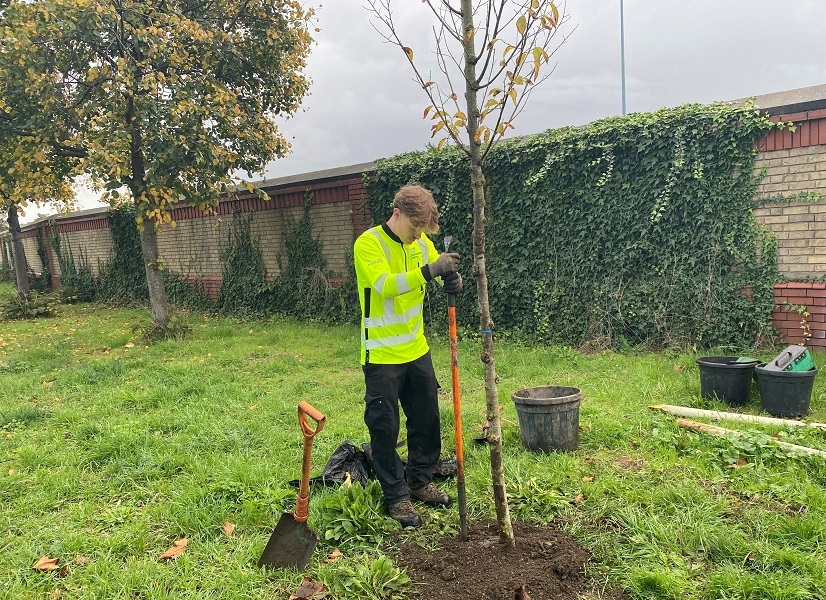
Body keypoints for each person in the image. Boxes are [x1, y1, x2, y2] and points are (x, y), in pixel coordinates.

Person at [353, 185, 463, 527]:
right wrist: (430, 271)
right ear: (397, 213)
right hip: (382, 353)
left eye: (422, 233)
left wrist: (450, 276)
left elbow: (433, 264)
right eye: (414, 229)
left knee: (427, 416)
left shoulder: (419, 243)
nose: (417, 238)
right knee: (384, 427)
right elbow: (385, 285)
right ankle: (396, 495)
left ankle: (420, 478)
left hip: (417, 348)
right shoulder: (369, 243)